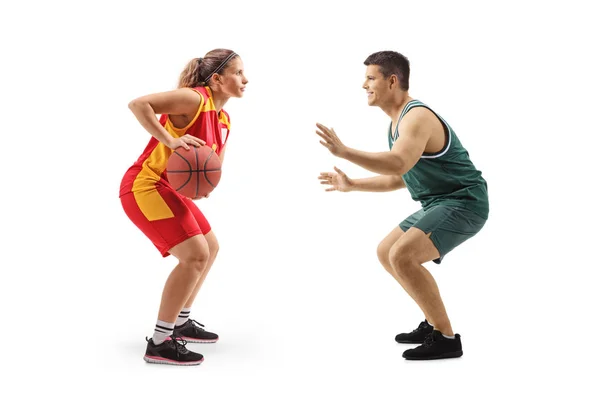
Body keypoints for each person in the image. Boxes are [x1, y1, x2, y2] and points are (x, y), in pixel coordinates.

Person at [316, 50, 488, 360]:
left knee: (403, 255)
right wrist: (352, 185)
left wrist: (344, 151)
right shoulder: (396, 123)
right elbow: (400, 175)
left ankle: (446, 337)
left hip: (465, 202)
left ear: (392, 81)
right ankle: (432, 322)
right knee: (387, 252)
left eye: (370, 78)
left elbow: (398, 160)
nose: (363, 84)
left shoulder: (417, 116)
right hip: (439, 202)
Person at [119, 49, 248, 365]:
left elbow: (210, 164)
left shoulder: (223, 118)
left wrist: (204, 185)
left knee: (211, 247)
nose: (246, 79)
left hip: (167, 189)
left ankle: (181, 321)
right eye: (239, 72)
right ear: (217, 79)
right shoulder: (194, 99)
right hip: (144, 186)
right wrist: (170, 140)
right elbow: (138, 104)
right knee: (195, 255)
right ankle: (160, 342)